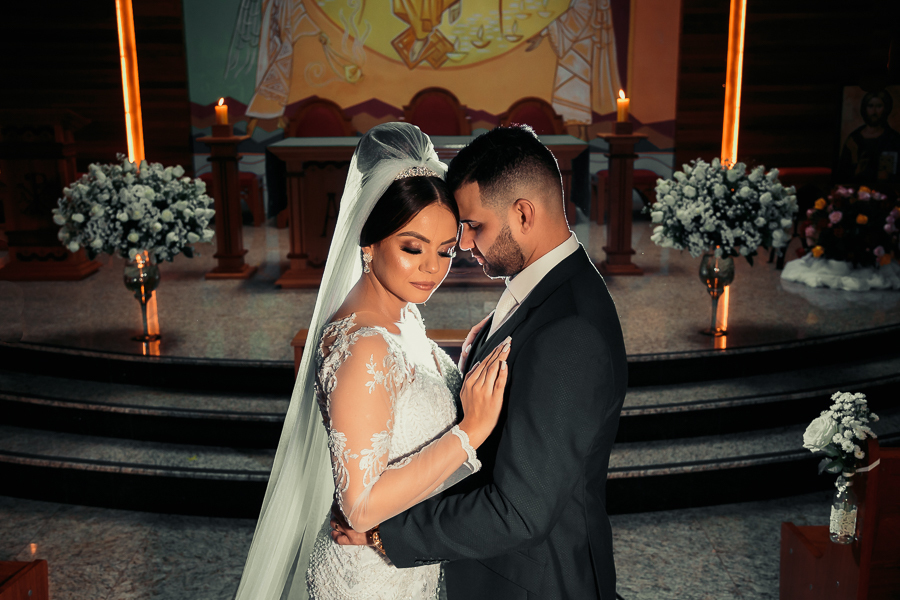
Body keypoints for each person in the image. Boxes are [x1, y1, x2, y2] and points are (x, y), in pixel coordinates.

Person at [332, 125, 628, 599]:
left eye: (473, 226)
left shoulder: (570, 331)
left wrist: (384, 535)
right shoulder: (548, 293)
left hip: (535, 584)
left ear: (523, 214)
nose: (465, 245)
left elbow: (521, 512)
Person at [233, 122, 510, 600]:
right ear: (368, 241)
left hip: (405, 560)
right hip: (369, 581)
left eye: (445, 251)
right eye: (412, 247)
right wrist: (471, 431)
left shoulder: (401, 314)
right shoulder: (363, 346)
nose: (432, 267)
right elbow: (359, 508)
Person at [837, 88, 900, 185]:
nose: (874, 111)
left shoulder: (893, 139)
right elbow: (842, 175)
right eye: (870, 106)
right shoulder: (854, 139)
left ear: (886, 108)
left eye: (879, 106)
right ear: (865, 108)